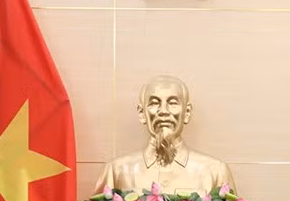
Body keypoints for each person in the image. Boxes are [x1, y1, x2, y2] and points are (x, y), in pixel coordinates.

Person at [93, 75, 235, 194]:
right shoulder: (116, 171)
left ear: (187, 113)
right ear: (142, 113)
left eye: (173, 103)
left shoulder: (215, 172)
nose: (163, 111)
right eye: (154, 103)